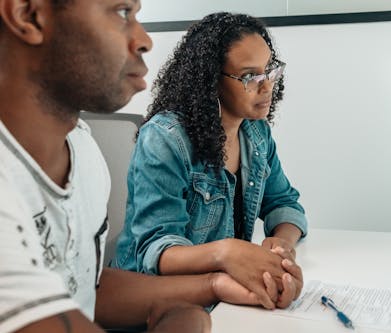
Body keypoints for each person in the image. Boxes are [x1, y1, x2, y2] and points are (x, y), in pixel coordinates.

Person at [0, 2, 298, 332]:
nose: (146, 39)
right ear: (28, 14)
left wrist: (212, 287)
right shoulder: (166, 136)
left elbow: (86, 286)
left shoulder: (81, 150)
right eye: (123, 11)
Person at [112, 12, 308, 310]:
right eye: (249, 76)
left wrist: (282, 245)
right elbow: (154, 250)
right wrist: (226, 253)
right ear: (211, 81)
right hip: (152, 303)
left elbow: (284, 204)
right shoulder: (165, 139)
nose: (266, 86)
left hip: (220, 296)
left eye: (269, 70)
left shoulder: (256, 133)